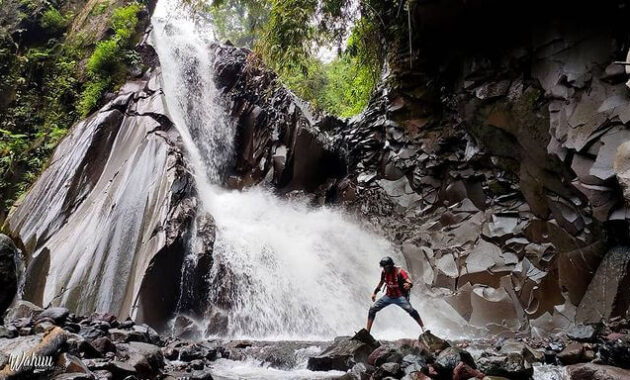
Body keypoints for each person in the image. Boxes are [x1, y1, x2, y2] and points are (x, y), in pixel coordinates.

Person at [366, 256, 425, 333]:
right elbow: (381, 282)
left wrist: (409, 285)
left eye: (385, 267)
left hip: (399, 297)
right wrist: (375, 293)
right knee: (372, 309)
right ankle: (367, 332)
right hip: (388, 296)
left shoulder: (399, 272)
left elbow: (409, 281)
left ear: (390, 266)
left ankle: (423, 328)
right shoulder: (384, 272)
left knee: (412, 311)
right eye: (383, 267)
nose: (384, 269)